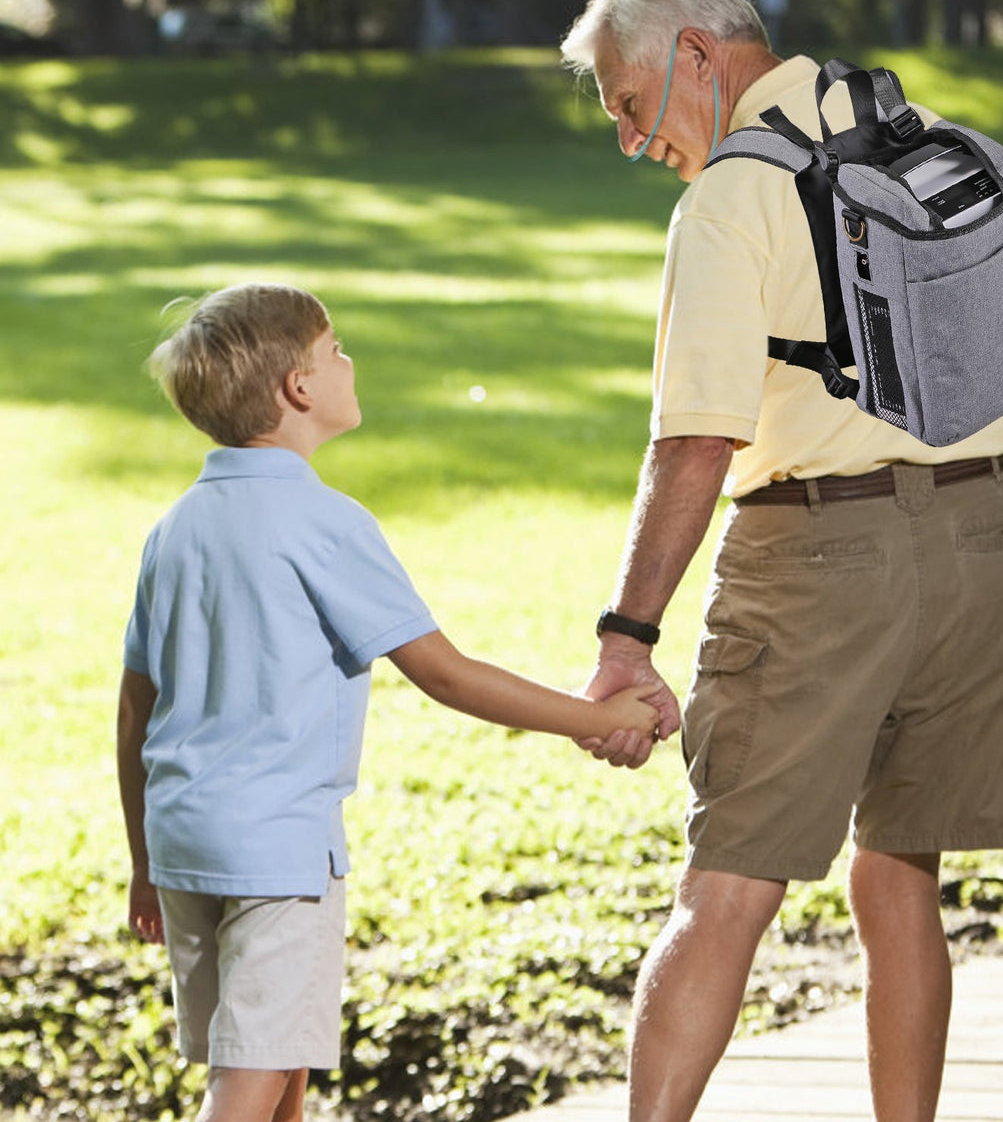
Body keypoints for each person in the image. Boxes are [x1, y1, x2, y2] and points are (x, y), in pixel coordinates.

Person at [560, 0, 1003, 1122]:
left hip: (818, 559)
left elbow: (692, 441)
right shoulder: (944, 147)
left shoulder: (733, 195)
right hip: (982, 545)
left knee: (725, 884)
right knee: (901, 873)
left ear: (695, 54)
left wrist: (625, 634)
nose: (636, 145)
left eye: (630, 110)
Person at [115, 282, 658, 1122]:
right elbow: (444, 674)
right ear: (299, 388)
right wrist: (599, 719)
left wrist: (144, 865)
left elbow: (134, 707)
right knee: (250, 1078)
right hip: (280, 853)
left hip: (184, 843)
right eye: (335, 351)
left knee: (277, 1060)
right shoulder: (325, 522)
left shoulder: (175, 528)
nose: (349, 361)